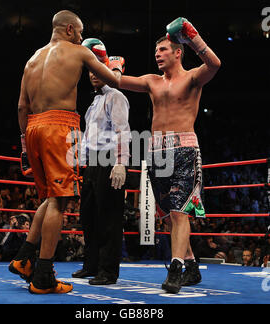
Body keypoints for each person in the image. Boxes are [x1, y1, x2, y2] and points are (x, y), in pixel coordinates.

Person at [8, 10, 121, 294]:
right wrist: (117, 66)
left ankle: (24, 259)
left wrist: (24, 142)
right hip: (60, 127)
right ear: (70, 29)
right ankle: (44, 275)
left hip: (32, 128)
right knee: (60, 201)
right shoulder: (79, 51)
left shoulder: (32, 59)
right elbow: (114, 81)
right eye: (81, 32)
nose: (82, 38)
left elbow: (22, 107)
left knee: (48, 198)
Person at [119, 17, 221, 293]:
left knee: (178, 212)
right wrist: (101, 61)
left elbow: (214, 64)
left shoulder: (192, 78)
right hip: (156, 152)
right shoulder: (152, 81)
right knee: (168, 215)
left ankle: (175, 269)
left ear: (178, 51)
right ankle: (191, 267)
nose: (157, 54)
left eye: (163, 50)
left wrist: (193, 38)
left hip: (184, 149)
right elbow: (117, 80)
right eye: (156, 52)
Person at [72, 50, 130, 285]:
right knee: (89, 216)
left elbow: (122, 131)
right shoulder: (94, 102)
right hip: (93, 164)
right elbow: (88, 139)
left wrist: (120, 164)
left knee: (109, 218)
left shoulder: (115, 95)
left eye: (99, 70)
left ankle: (108, 271)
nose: (94, 74)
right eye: (91, 70)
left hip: (109, 160)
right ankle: (91, 265)